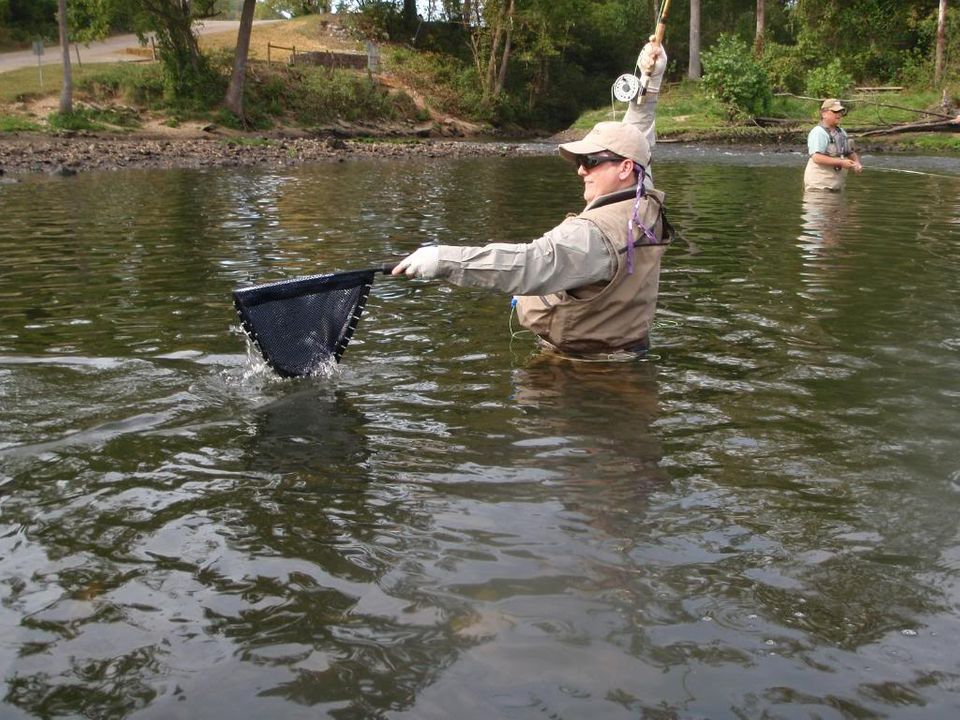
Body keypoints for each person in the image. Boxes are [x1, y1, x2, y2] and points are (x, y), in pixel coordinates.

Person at [391, 44, 670, 361]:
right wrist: (651, 81)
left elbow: (527, 264)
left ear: (623, 169)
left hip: (584, 371)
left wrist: (443, 260)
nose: (580, 169)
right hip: (627, 356)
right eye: (580, 160)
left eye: (591, 161)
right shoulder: (643, 197)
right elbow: (638, 138)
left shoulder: (591, 236)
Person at [804, 98, 863, 192]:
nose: (839, 114)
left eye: (840, 111)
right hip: (819, 186)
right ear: (824, 113)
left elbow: (849, 152)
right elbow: (816, 157)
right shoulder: (818, 132)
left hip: (836, 186)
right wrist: (841, 162)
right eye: (835, 111)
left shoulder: (841, 132)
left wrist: (857, 163)